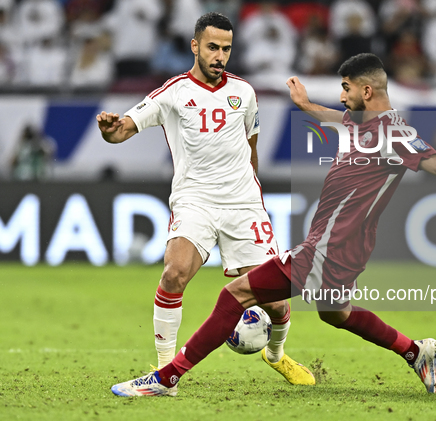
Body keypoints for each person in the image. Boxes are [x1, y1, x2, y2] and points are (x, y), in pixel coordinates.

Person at [110, 53, 436, 397]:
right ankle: (416, 352)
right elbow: (342, 120)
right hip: (346, 248)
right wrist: (306, 105)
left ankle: (166, 377)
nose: (341, 98)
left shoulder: (396, 135)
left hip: (330, 248)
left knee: (235, 293)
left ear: (366, 89)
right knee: (334, 313)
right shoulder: (366, 124)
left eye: (344, 89)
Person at [97, 12, 315, 396]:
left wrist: (250, 194)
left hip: (244, 203)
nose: (220, 55)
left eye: (226, 48)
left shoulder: (245, 93)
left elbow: (251, 150)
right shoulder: (173, 92)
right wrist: (109, 129)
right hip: (195, 198)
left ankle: (277, 353)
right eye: (213, 47)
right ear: (195, 46)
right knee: (174, 273)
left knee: (277, 302)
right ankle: (164, 373)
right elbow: (121, 132)